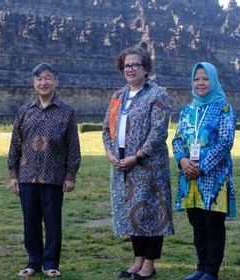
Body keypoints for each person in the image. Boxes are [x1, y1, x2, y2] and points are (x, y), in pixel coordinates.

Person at [102, 46, 174, 280]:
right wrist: (110, 153)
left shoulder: (157, 94)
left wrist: (139, 155)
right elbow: (106, 128)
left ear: (146, 68)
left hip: (148, 165)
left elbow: (158, 131)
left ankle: (149, 264)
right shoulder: (118, 96)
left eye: (135, 65)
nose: (130, 69)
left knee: (150, 212)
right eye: (126, 65)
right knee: (131, 213)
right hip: (121, 163)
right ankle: (137, 261)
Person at [7, 63, 81, 278]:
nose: (43, 82)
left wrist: (70, 175)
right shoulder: (24, 111)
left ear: (55, 81)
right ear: (34, 83)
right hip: (27, 175)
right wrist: (13, 175)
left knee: (52, 221)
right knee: (30, 221)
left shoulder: (66, 112)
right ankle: (33, 261)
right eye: (39, 79)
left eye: (48, 78)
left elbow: (73, 147)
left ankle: (50, 263)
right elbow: (15, 144)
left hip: (54, 176)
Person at [172, 62, 236, 280]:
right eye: (197, 79)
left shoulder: (224, 108)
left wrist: (202, 166)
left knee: (213, 223)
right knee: (197, 223)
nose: (200, 83)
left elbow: (226, 141)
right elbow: (177, 139)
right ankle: (200, 267)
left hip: (214, 177)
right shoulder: (187, 110)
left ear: (214, 81)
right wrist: (182, 161)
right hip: (188, 177)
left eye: (205, 78)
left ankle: (211, 271)